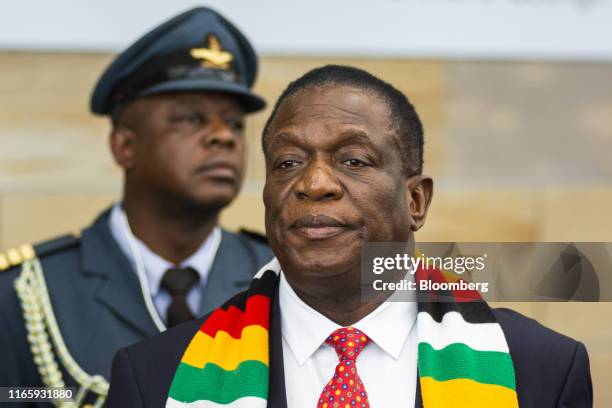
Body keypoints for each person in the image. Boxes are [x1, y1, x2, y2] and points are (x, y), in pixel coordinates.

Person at [105, 65, 592, 408]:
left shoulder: (542, 369)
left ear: (416, 202)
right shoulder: (155, 376)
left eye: (354, 161)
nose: (314, 184)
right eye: (289, 163)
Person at [0, 7, 273, 407]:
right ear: (125, 146)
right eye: (190, 119)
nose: (222, 137)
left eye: (234, 124)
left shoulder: (278, 277)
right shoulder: (27, 293)